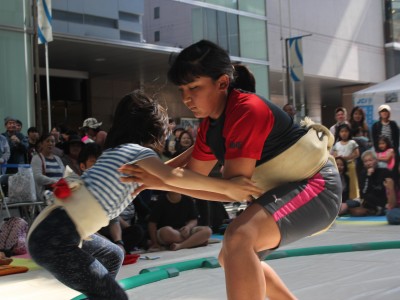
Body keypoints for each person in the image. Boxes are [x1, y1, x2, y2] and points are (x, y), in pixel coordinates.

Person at [120, 40, 341, 300]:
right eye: (182, 89)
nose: (186, 98)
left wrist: (158, 180)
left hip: (317, 187)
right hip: (287, 187)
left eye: (194, 87)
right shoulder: (209, 127)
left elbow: (233, 191)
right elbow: (197, 182)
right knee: (230, 255)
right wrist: (151, 180)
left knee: (239, 238)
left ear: (222, 83)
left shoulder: (247, 110)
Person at [27, 90, 260, 300]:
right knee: (114, 296)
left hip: (52, 229)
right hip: (55, 237)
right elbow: (171, 177)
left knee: (113, 255)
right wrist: (229, 189)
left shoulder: (120, 152)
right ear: (152, 128)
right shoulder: (137, 153)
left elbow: (167, 171)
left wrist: (203, 143)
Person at [148, 191, 212, 251]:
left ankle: (181, 245)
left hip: (183, 231)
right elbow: (152, 224)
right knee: (167, 231)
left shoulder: (188, 199)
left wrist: (188, 227)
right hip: (167, 233)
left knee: (207, 230)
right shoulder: (161, 200)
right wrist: (154, 242)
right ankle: (195, 242)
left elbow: (194, 220)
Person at [349, 150, 392, 216]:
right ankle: (376, 210)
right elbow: (363, 192)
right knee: (354, 209)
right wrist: (368, 176)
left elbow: (390, 188)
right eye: (365, 161)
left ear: (376, 160)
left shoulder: (384, 171)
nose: (368, 163)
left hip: (384, 199)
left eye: (370, 160)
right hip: (371, 201)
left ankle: (381, 209)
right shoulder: (363, 174)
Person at [30, 133, 65, 201]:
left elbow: (64, 174)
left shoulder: (58, 158)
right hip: (46, 194)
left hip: (60, 191)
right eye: (47, 141)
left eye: (52, 141)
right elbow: (37, 177)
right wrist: (55, 182)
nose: (50, 143)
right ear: (42, 144)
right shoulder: (37, 158)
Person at [332, 123, 360, 200]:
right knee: (341, 181)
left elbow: (357, 154)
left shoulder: (352, 142)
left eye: (346, 131)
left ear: (349, 132)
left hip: (350, 165)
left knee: (352, 181)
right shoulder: (337, 144)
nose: (344, 133)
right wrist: (339, 159)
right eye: (342, 131)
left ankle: (353, 196)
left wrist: (346, 158)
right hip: (340, 166)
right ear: (339, 133)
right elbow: (334, 155)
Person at [371, 104, 399, 170]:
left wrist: (394, 151)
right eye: (382, 111)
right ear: (379, 113)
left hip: (391, 150)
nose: (384, 113)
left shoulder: (393, 124)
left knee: (392, 169)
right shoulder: (375, 125)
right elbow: (374, 140)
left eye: (386, 111)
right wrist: (377, 151)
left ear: (389, 113)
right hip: (380, 150)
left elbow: (396, 139)